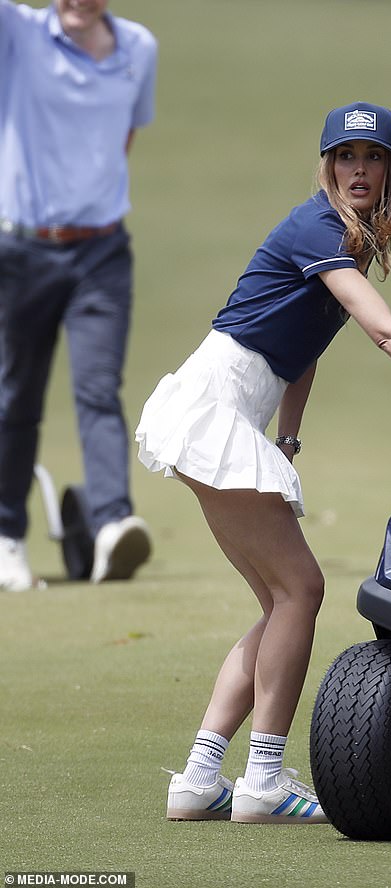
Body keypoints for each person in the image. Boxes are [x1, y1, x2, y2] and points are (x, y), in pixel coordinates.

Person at [136, 101, 391, 825]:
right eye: (344, 157)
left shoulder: (351, 242)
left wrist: (289, 438)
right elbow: (383, 331)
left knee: (280, 603)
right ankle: (264, 780)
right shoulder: (319, 225)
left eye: (371, 157)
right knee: (301, 591)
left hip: (220, 413)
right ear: (327, 167)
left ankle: (202, 776)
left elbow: (300, 352)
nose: (357, 170)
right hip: (210, 408)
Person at [0, 0, 157, 590]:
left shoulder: (138, 48)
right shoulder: (16, 30)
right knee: (16, 393)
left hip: (101, 251)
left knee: (98, 388)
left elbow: (121, 139)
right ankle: (6, 535)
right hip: (23, 249)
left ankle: (113, 522)